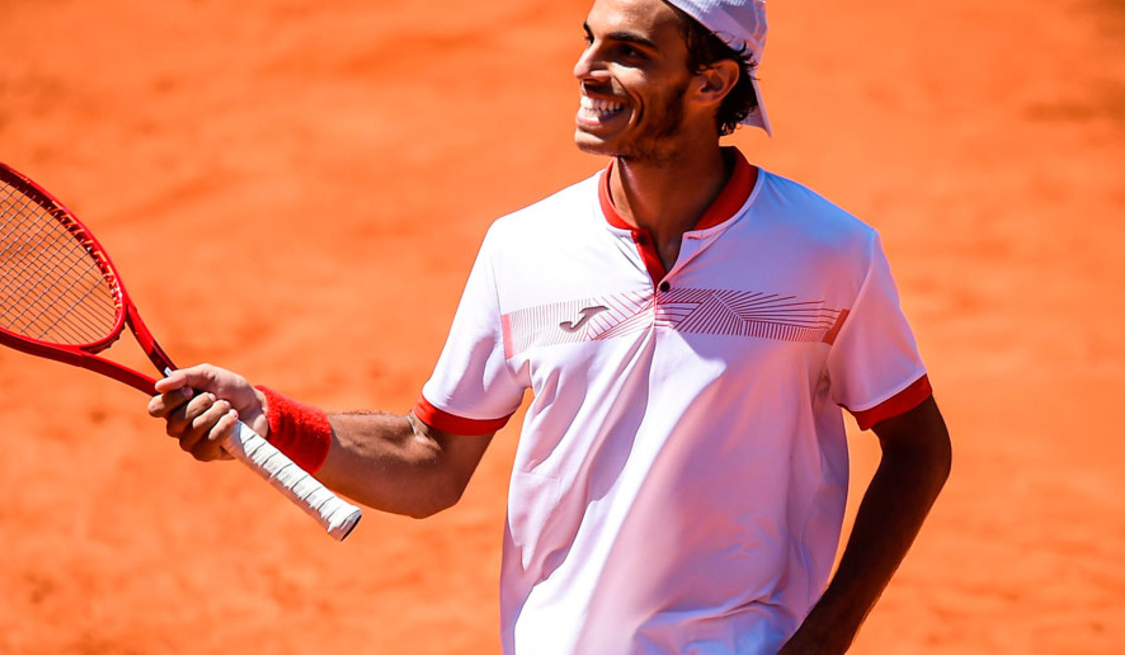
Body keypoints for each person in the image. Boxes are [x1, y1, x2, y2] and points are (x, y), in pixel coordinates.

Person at [147, 0, 952, 652]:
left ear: (710, 83)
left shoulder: (826, 252)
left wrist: (827, 635)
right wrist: (271, 419)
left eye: (628, 52)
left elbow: (918, 447)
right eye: (589, 39)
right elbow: (431, 460)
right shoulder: (523, 248)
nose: (585, 68)